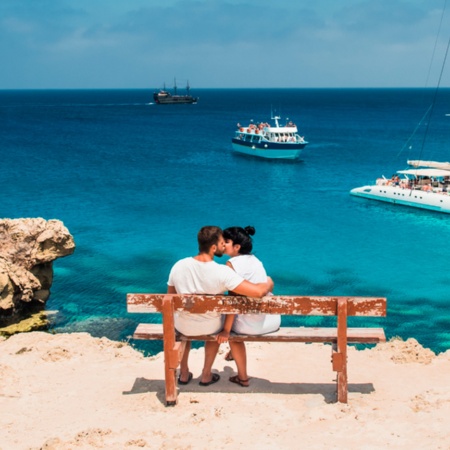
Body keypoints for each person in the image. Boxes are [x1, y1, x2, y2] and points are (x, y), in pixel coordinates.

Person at [167, 226, 273, 387]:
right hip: (210, 328)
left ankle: (183, 373)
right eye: (222, 243)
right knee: (217, 325)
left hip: (184, 326)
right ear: (214, 247)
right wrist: (268, 283)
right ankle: (206, 374)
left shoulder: (178, 266)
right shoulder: (223, 272)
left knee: (185, 324)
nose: (224, 246)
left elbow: (170, 298)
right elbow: (258, 292)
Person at [216, 226, 280, 387]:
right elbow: (266, 284)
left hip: (254, 327)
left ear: (237, 247)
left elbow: (233, 302)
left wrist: (226, 331)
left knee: (232, 334)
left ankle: (242, 377)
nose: (222, 244)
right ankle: (232, 353)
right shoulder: (256, 260)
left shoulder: (231, 264)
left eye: (226, 242)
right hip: (272, 321)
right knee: (239, 316)